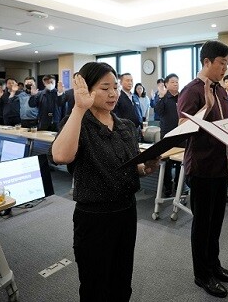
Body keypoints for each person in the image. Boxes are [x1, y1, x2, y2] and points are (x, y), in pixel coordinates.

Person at [50, 62, 158, 302]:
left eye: (116, 87)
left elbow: (131, 167)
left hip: (127, 213)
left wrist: (145, 168)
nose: (113, 94)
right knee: (95, 285)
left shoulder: (126, 126)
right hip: (95, 217)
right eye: (105, 88)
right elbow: (61, 156)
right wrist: (79, 108)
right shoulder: (78, 122)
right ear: (87, 90)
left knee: (122, 280)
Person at [177, 40, 228, 298]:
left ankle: (214, 265)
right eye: (221, 63)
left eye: (227, 63)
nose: (224, 68)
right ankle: (202, 275)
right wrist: (207, 107)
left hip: (221, 166)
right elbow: (182, 129)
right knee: (202, 224)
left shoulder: (221, 90)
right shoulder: (192, 91)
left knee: (216, 222)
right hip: (201, 168)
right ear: (206, 62)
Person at [154, 73, 182, 196]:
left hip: (182, 134)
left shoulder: (182, 97)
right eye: (172, 82)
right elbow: (158, 112)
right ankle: (168, 188)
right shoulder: (162, 97)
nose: (175, 84)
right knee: (166, 163)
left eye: (177, 81)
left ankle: (179, 187)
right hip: (167, 134)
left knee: (181, 162)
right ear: (166, 84)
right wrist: (161, 96)